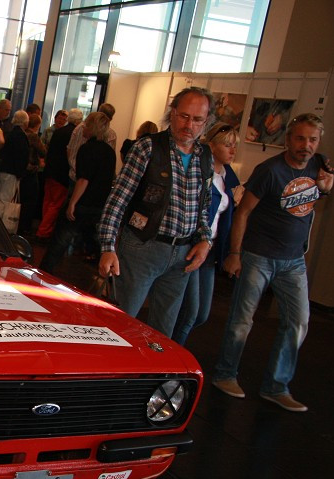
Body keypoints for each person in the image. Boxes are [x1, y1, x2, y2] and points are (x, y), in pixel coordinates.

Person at [212, 113, 334, 412]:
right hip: (259, 255)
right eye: (300, 138)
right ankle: (225, 374)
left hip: (294, 260)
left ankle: (276, 386)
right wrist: (235, 253)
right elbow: (243, 213)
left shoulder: (320, 164)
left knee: (298, 322)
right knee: (242, 320)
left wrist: (327, 187)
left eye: (312, 140)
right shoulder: (270, 170)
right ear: (288, 139)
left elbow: (317, 194)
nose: (306, 145)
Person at [97, 87, 215, 337]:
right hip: (143, 248)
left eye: (197, 120)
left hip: (183, 254)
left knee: (163, 332)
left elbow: (203, 206)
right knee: (122, 323)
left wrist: (205, 240)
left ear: (206, 122)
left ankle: (155, 376)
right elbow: (117, 200)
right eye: (184, 116)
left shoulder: (205, 157)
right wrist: (108, 247)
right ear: (172, 114)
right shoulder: (147, 148)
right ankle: (116, 373)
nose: (189, 125)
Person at [172, 122, 240, 345]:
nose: (232, 150)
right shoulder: (201, 171)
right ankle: (172, 360)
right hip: (194, 245)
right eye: (227, 145)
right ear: (211, 145)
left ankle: (171, 352)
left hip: (210, 250)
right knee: (190, 312)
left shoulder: (226, 176)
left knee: (200, 314)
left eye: (234, 146)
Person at [41, 112, 115, 273]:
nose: (83, 128)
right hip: (99, 205)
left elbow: (83, 179)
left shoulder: (87, 149)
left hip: (84, 203)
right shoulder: (109, 152)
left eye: (87, 125)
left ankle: (43, 274)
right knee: (95, 242)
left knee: (59, 242)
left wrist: (72, 203)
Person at [35, 107, 83, 239]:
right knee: (56, 204)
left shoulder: (58, 131)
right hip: (62, 174)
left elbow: (48, 151)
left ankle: (43, 227)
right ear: (79, 121)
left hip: (50, 171)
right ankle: (44, 231)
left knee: (47, 201)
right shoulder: (75, 135)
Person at [67, 103, 117, 183]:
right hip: (95, 181)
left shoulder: (79, 128)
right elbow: (108, 163)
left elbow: (71, 152)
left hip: (76, 176)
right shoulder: (111, 135)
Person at [0, 110, 30, 211]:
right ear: (25, 122)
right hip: (11, 172)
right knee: (5, 200)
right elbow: (21, 156)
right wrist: (20, 173)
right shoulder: (21, 136)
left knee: (1, 198)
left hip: (4, 169)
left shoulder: (11, 133)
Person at [20, 113, 47, 235]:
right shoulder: (34, 137)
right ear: (37, 125)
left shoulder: (23, 134)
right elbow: (43, 151)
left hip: (22, 170)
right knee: (30, 200)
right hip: (31, 171)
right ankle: (25, 226)